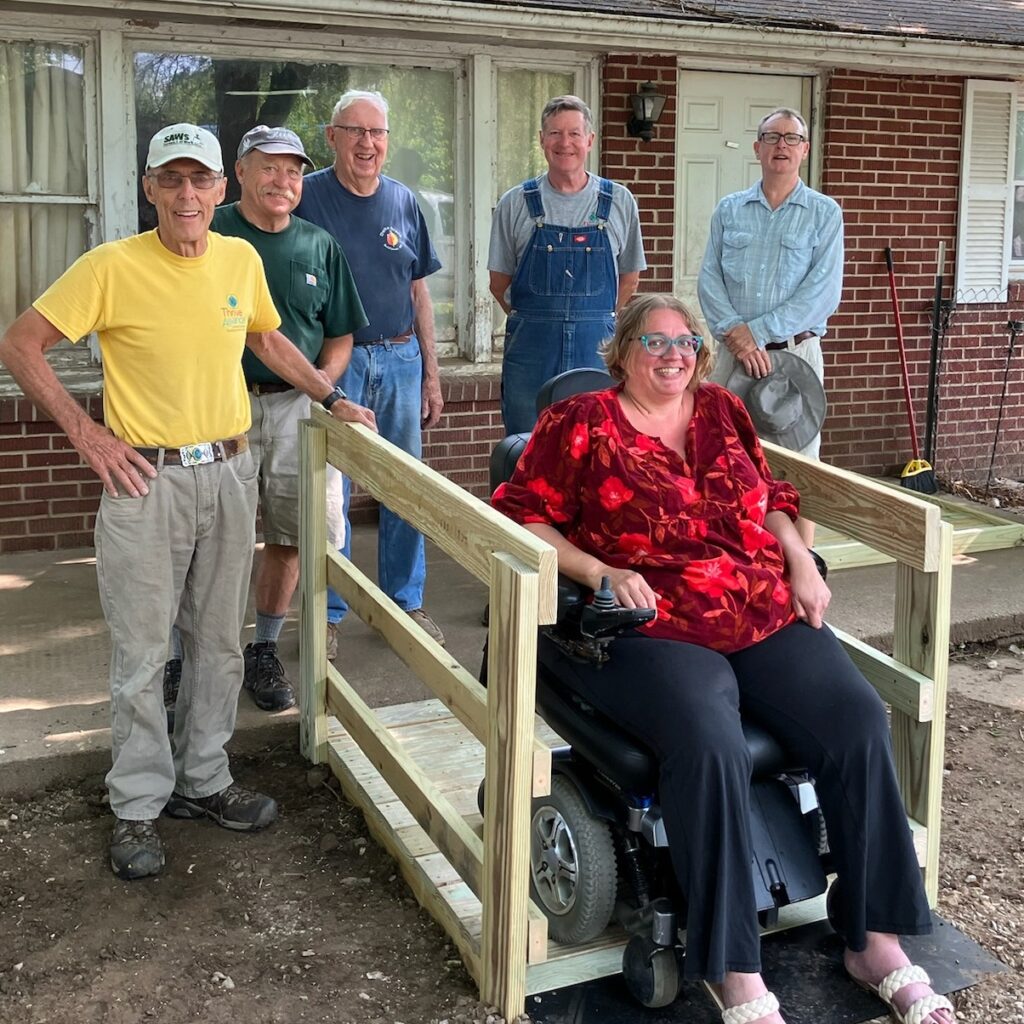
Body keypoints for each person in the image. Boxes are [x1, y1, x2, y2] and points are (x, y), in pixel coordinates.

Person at [491, 293, 955, 1024]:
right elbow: (521, 515)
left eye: (686, 342)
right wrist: (595, 571)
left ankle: (875, 939)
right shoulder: (579, 424)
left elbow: (772, 494)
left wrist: (799, 555)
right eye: (655, 342)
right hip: (653, 623)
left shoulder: (720, 410)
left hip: (758, 605)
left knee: (857, 718)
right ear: (622, 351)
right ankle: (734, 969)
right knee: (710, 744)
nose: (673, 354)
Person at [0, 123, 373, 881]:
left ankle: (204, 779)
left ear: (220, 189)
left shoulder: (239, 258)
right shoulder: (111, 266)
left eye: (199, 180)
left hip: (230, 471)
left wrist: (332, 397)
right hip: (147, 481)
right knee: (143, 652)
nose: (187, 195)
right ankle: (137, 802)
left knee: (218, 641)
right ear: (150, 190)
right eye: (171, 180)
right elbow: (20, 342)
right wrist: (87, 434)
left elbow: (267, 340)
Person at [162, 125, 375, 720]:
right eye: (269, 168)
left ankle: (262, 650)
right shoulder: (207, 228)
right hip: (215, 404)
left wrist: (325, 392)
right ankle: (183, 656)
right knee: (201, 537)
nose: (282, 181)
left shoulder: (318, 245)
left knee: (289, 533)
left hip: (294, 405)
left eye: (294, 171)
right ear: (240, 174)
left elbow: (338, 335)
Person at [295, 89, 446, 650]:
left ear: (388, 142)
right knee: (329, 493)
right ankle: (328, 612)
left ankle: (404, 603)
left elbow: (419, 291)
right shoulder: (307, 198)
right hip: (338, 364)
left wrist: (431, 372)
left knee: (405, 487)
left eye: (377, 133)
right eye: (355, 131)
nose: (367, 143)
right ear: (332, 137)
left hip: (402, 359)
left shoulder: (406, 202)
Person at [698, 106, 844, 547]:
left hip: (794, 356)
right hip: (731, 356)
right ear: (758, 148)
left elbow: (822, 292)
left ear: (804, 150)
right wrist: (737, 337)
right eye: (773, 137)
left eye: (792, 138)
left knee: (800, 465)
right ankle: (735, 556)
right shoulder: (730, 210)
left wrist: (757, 333)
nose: (782, 145)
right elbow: (709, 280)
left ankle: (803, 569)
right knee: (723, 454)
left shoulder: (824, 214)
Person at [488, 94, 646, 434]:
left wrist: (596, 317)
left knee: (598, 450)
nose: (565, 143)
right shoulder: (515, 203)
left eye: (574, 134)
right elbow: (499, 283)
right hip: (531, 353)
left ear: (589, 140)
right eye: (555, 133)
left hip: (597, 350)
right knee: (527, 449)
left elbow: (629, 280)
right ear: (542, 140)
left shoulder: (619, 201)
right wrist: (536, 320)